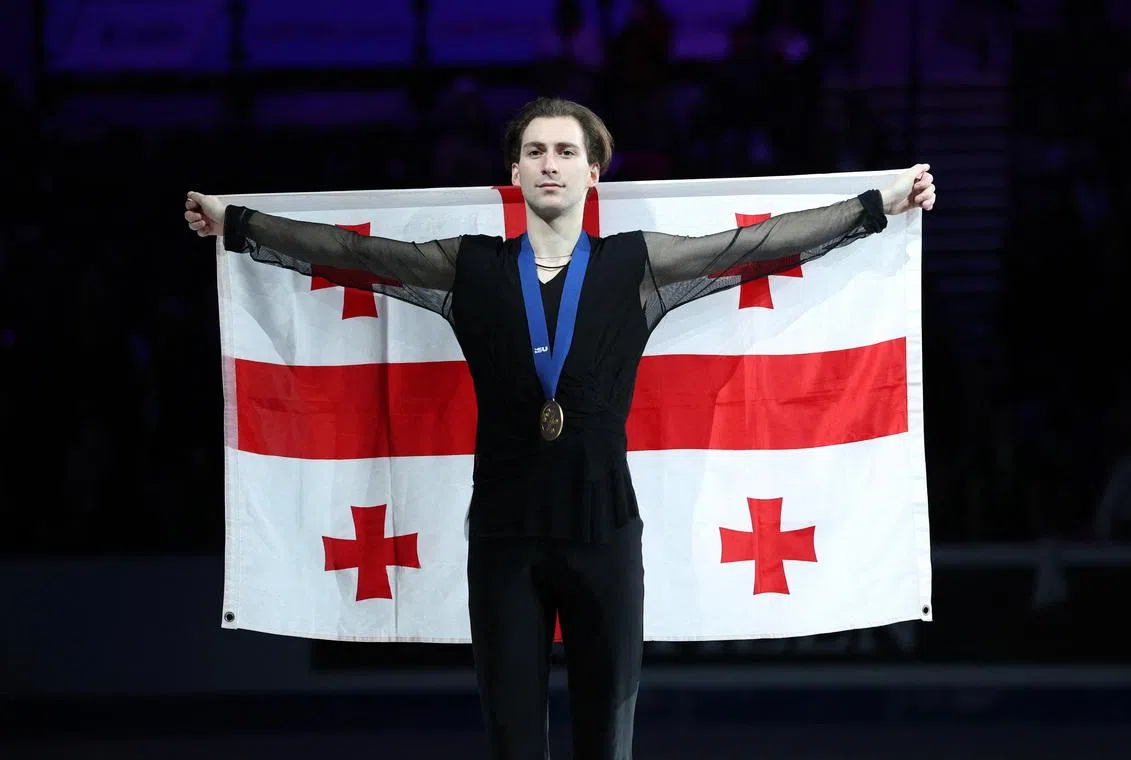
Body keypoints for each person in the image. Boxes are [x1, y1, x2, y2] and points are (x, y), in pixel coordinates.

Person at [185, 96, 935, 760]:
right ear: (514, 171)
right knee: (512, 738)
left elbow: (762, 242)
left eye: (567, 152)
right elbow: (354, 255)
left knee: (607, 740)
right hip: (505, 540)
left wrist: (879, 205)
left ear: (593, 174)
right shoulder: (467, 268)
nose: (551, 164)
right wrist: (238, 224)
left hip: (605, 532)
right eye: (536, 151)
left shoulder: (636, 265)